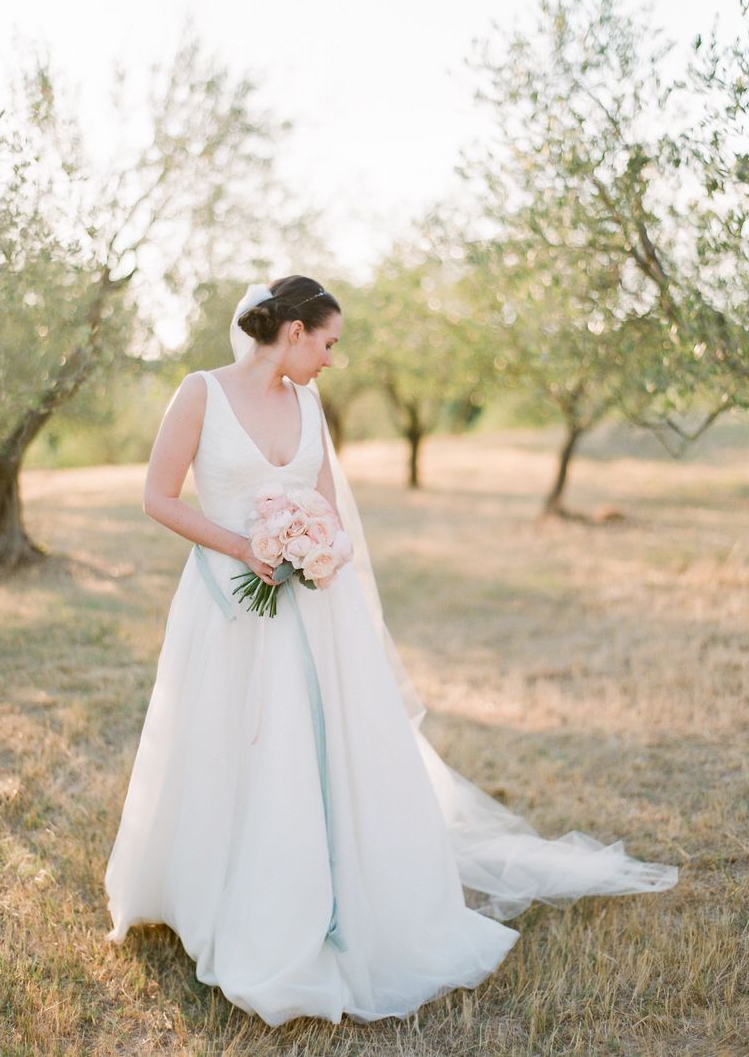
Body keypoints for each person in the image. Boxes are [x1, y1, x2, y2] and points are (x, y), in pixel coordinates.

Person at [104, 275, 678, 1027]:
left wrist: (320, 551)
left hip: (314, 606)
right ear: (295, 331)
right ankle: (222, 899)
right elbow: (159, 496)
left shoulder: (308, 405)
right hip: (228, 605)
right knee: (229, 749)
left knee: (323, 751)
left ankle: (333, 899)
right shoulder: (201, 393)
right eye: (330, 343)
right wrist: (245, 548)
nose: (334, 361)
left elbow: (330, 511)